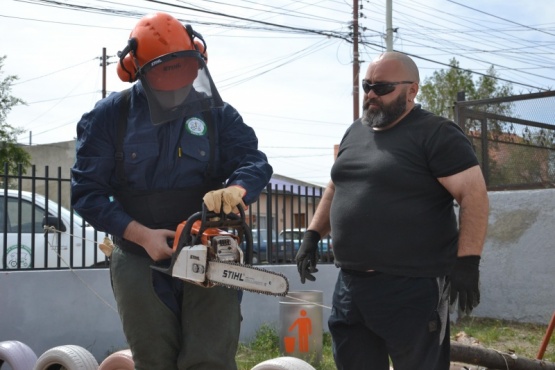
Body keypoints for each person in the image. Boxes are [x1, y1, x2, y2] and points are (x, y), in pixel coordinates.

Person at [71, 12, 272, 370]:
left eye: (184, 77)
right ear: (138, 70)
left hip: (209, 247)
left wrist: (237, 189)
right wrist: (140, 234)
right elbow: (87, 193)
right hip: (138, 253)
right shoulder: (107, 117)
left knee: (209, 359)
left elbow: (252, 160)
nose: (178, 90)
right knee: (154, 359)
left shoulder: (217, 115)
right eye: (167, 81)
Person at [295, 51, 489, 370]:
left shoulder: (436, 133)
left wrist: (468, 262)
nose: (371, 94)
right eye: (367, 85)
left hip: (411, 288)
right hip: (351, 286)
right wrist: (312, 235)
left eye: (382, 88)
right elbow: (335, 187)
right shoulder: (355, 132)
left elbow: (474, 195)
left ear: (412, 90)